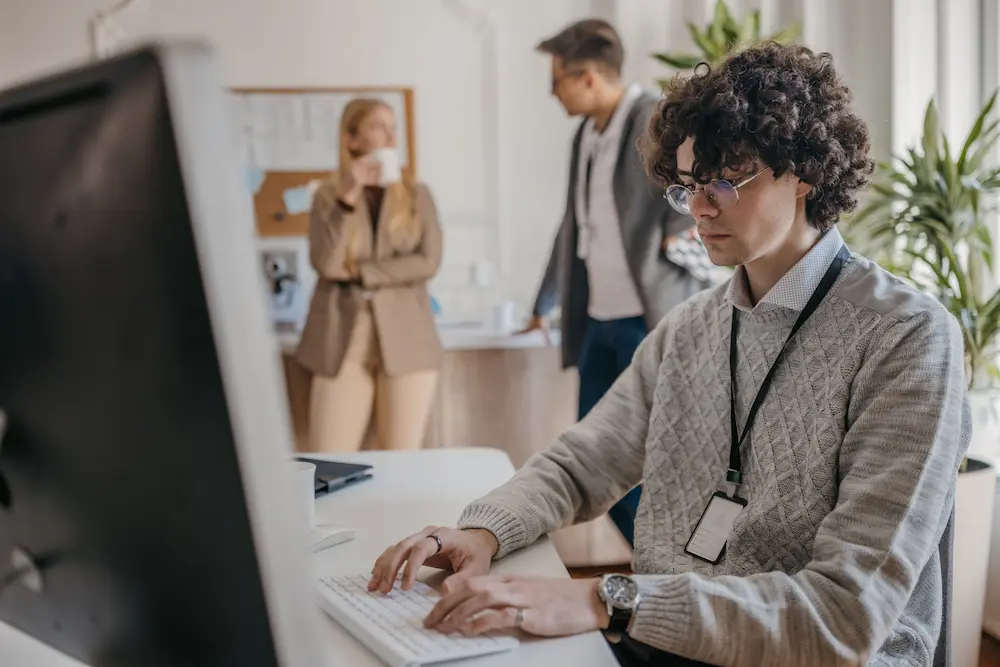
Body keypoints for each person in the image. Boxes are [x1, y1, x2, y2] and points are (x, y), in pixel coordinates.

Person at [368, 43, 971, 667]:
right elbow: (583, 463)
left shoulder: (908, 337)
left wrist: (605, 602)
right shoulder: (691, 328)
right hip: (666, 638)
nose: (700, 209)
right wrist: (483, 529)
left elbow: (843, 618)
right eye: (687, 187)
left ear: (804, 173)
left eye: (723, 181)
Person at [518, 19, 710, 546]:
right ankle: (655, 566)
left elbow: (689, 189)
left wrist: (680, 230)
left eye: (556, 81)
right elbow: (572, 222)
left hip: (647, 321)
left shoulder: (652, 118)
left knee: (657, 463)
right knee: (596, 464)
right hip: (597, 321)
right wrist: (545, 303)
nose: (552, 93)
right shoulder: (586, 134)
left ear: (587, 77)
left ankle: (664, 573)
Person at [297, 98, 442, 453]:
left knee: (402, 462)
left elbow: (428, 262)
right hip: (342, 339)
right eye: (379, 127)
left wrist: (361, 272)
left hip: (408, 338)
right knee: (329, 463)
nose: (391, 137)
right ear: (351, 139)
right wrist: (347, 200)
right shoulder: (326, 198)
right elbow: (327, 263)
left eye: (394, 128)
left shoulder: (416, 195)